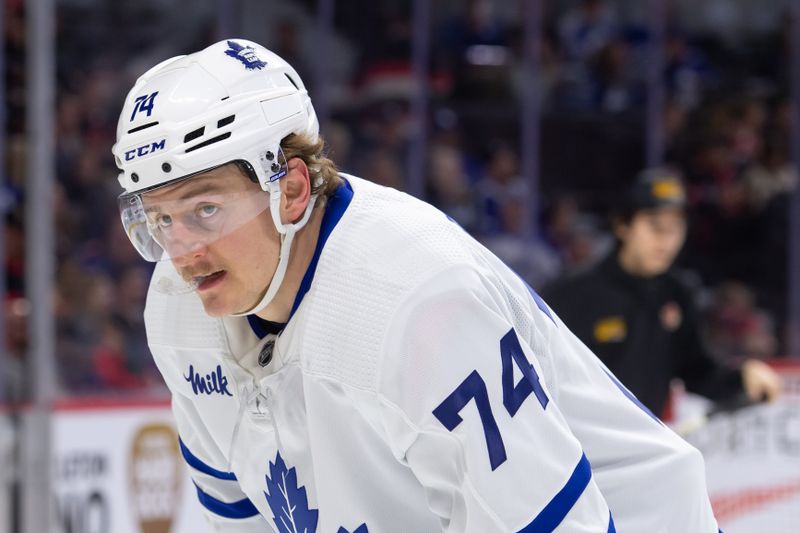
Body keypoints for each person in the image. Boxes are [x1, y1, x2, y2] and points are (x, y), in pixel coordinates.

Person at [112, 40, 722, 532]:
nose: (181, 252)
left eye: (205, 210)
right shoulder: (177, 310)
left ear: (291, 189)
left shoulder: (417, 300)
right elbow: (240, 515)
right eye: (159, 219)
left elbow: (559, 522)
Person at [542, 168, 781, 418]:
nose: (667, 240)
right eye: (656, 226)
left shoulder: (678, 292)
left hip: (646, 447)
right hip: (579, 445)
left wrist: (742, 378)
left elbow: (697, 372)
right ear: (623, 225)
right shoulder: (573, 293)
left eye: (676, 227)